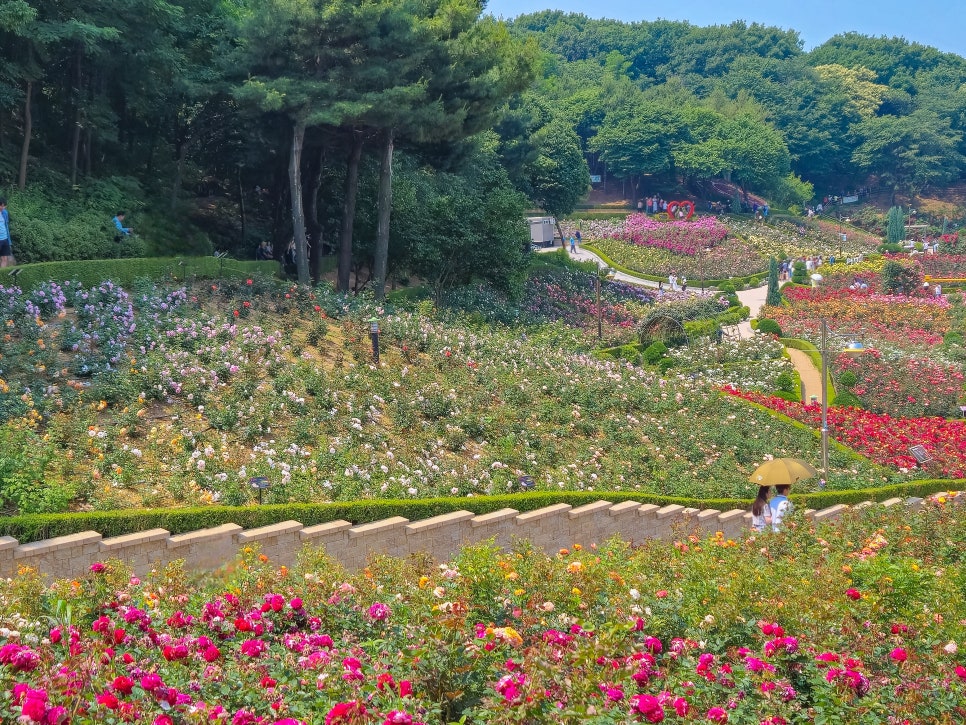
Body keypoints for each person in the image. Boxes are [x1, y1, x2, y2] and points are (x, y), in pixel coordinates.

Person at [0, 198, 11, 268]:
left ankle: (2, 273)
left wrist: (9, 240)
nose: (3, 208)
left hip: (5, 238)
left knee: (4, 258)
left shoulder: (5, 213)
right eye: (2, 206)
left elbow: (6, 225)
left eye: (4, 206)